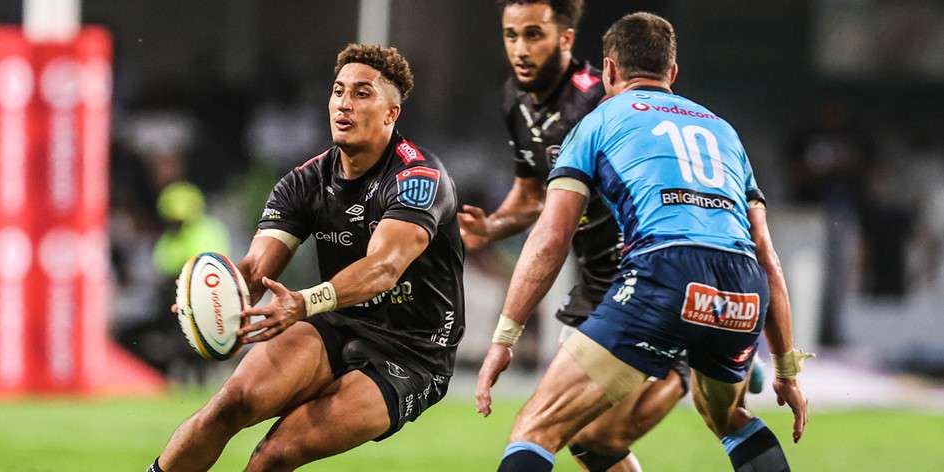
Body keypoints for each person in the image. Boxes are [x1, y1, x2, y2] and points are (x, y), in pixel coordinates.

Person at [477, 12, 811, 472]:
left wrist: (505, 337)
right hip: (742, 289)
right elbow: (766, 256)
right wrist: (787, 369)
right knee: (728, 417)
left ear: (609, 69)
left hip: (664, 274)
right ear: (672, 72)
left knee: (536, 427)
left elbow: (550, 238)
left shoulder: (597, 122)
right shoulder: (724, 131)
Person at [148, 43, 465, 472]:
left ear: (391, 113)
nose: (344, 104)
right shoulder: (305, 182)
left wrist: (303, 302)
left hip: (413, 351)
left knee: (276, 453)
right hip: (338, 323)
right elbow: (256, 270)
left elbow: (384, 268)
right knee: (230, 404)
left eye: (362, 93)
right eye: (338, 91)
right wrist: (215, 299)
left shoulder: (418, 177)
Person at [465, 2, 683, 470]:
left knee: (575, 431)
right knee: (585, 442)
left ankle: (713, 358)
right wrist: (491, 226)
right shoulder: (515, 99)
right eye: (510, 35)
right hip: (593, 285)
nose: (519, 49)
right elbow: (531, 197)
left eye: (533, 34)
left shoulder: (602, 98)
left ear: (565, 39)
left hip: (641, 282)